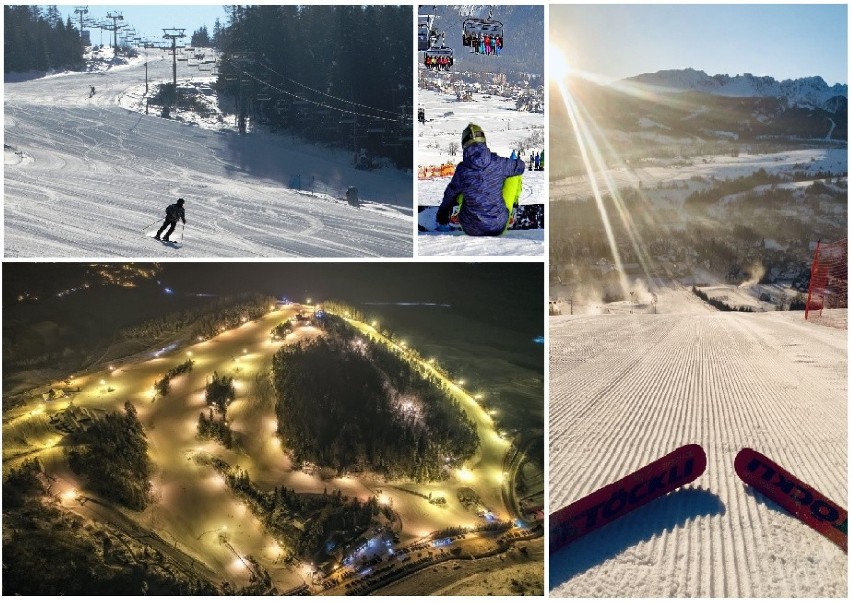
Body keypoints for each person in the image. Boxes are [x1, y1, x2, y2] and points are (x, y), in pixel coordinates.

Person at [436, 123, 525, 236]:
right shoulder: (499, 163)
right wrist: (509, 165)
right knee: (514, 174)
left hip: (470, 228)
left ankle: (455, 212)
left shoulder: (462, 169)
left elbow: (450, 194)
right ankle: (513, 207)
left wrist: (442, 214)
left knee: (461, 186)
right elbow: (520, 167)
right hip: (498, 225)